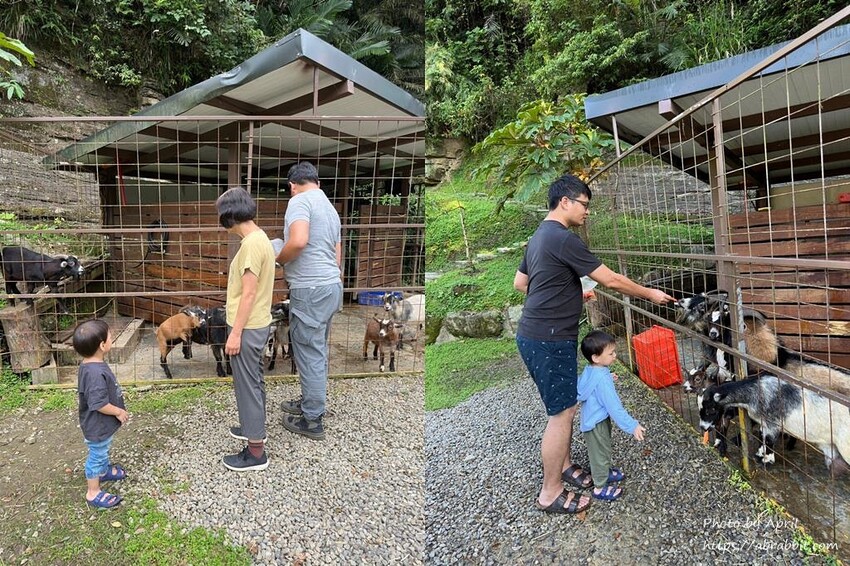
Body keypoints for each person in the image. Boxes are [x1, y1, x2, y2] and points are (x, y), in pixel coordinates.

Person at [513, 173, 674, 514]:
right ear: (565, 202)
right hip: (549, 338)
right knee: (563, 413)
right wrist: (650, 294)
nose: (588, 212)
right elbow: (613, 280)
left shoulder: (538, 237)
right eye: (585, 205)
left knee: (563, 404)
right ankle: (550, 492)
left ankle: (566, 465)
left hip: (535, 335)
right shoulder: (564, 239)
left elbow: (520, 283)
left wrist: (570, 292)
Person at [276, 161, 342, 441]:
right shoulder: (330, 207)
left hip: (311, 289)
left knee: (309, 351)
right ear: (317, 182)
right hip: (331, 286)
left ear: (293, 185)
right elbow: (336, 253)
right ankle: (309, 403)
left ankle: (312, 420)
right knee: (316, 349)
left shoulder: (299, 201)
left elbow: (299, 240)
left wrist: (279, 260)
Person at [217, 186, 276, 471]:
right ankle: (254, 429)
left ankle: (255, 453)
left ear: (229, 215)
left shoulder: (251, 245)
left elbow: (249, 293)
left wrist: (235, 333)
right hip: (257, 323)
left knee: (247, 387)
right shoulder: (260, 237)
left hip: (248, 326)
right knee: (254, 382)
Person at [577, 330, 645, 501]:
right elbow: (615, 408)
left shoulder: (592, 370)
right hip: (596, 423)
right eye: (611, 353)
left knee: (602, 449)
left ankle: (604, 472)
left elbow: (590, 383)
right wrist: (632, 425)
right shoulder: (602, 379)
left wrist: (607, 375)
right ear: (596, 358)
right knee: (600, 453)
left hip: (593, 419)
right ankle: (600, 487)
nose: (615, 356)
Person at [73, 319, 129, 509]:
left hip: (100, 424)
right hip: (97, 424)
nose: (112, 339)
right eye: (110, 337)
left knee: (102, 450)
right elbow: (98, 403)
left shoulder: (89, 364)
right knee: (96, 455)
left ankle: (103, 471)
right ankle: (93, 492)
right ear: (102, 345)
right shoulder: (95, 373)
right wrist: (119, 411)